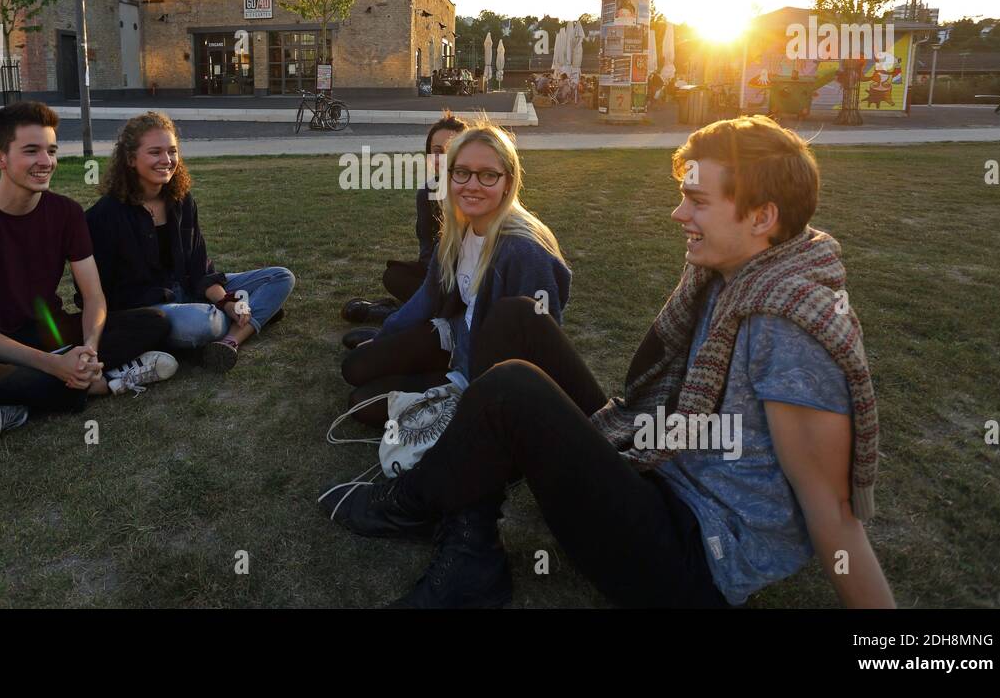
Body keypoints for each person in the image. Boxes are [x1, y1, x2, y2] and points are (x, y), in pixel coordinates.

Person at [324, 115, 894, 611]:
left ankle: (416, 504)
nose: (677, 214)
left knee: (512, 389)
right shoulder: (733, 274)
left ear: (762, 217)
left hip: (691, 555)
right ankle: (470, 543)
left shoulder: (790, 326)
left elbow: (836, 517)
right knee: (515, 319)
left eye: (696, 201)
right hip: (657, 464)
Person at [0, 103, 175, 443]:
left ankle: (18, 405)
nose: (46, 162)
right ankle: (100, 386)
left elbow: (94, 296)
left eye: (51, 150)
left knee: (155, 321)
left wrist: (88, 349)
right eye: (31, 151)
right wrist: (53, 365)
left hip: (52, 334)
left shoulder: (67, 213)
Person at [338, 121, 571, 426]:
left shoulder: (524, 253)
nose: (472, 185)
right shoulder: (458, 230)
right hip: (454, 338)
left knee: (361, 404)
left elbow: (543, 344)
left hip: (484, 372)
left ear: (508, 182)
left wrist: (479, 392)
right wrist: (385, 337)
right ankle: (417, 364)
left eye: (488, 175)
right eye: (461, 172)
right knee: (354, 367)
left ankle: (446, 388)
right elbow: (427, 296)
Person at [85, 111, 295, 374]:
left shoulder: (181, 200)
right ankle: (246, 318)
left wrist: (227, 301)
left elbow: (199, 266)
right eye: (155, 152)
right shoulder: (105, 215)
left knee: (280, 277)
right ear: (130, 159)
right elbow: (99, 293)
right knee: (207, 324)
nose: (167, 160)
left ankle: (231, 340)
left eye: (172, 151)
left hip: (190, 288)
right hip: (151, 310)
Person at [340, 112, 467, 343]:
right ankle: (422, 309)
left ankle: (400, 313)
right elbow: (427, 248)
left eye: (452, 150)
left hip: (469, 280)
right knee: (395, 275)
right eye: (436, 151)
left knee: (456, 301)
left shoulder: (473, 193)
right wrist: (434, 279)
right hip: (438, 274)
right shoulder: (427, 194)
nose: (443, 158)